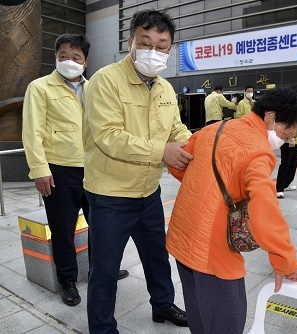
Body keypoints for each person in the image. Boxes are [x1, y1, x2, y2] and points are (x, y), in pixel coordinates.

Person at [166, 88, 297, 334]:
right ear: (270, 117)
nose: (286, 140)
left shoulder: (214, 129)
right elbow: (265, 211)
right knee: (228, 321)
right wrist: (285, 262)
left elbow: (179, 165)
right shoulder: (257, 150)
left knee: (199, 317)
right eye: (287, 132)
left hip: (182, 236)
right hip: (211, 249)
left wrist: (207, 190)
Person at [83, 9, 191, 332]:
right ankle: (102, 327)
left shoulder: (166, 90)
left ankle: (162, 304)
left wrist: (201, 145)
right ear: (130, 42)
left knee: (158, 256)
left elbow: (177, 130)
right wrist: (164, 152)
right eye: (145, 43)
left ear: (170, 50)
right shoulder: (106, 81)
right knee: (104, 269)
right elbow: (109, 138)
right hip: (110, 195)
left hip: (148, 193)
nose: (153, 52)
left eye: (162, 46)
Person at [22, 34, 128, 308]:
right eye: (63, 56)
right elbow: (31, 132)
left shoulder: (96, 88)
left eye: (76, 57)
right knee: (62, 228)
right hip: (59, 170)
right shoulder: (40, 87)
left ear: (86, 61)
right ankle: (67, 280)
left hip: (95, 167)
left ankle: (101, 270)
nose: (69, 61)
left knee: (102, 225)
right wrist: (39, 169)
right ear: (56, 58)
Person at [276, 84, 297, 199]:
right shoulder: (287, 107)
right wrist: (291, 138)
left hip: (295, 140)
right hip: (288, 139)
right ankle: (279, 188)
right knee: (285, 163)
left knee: (293, 163)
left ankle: (287, 183)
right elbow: (287, 124)